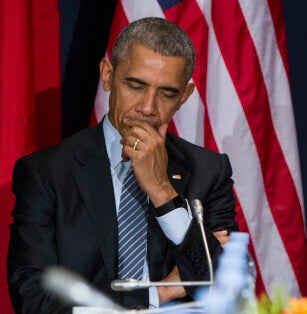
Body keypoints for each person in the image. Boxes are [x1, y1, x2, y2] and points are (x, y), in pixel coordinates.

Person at [8, 17, 239, 312]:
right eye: (135, 85)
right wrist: (159, 293)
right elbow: (33, 300)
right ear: (107, 75)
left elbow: (227, 288)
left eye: (167, 93)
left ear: (184, 96)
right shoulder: (48, 173)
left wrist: (163, 193)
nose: (147, 108)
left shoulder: (209, 171)